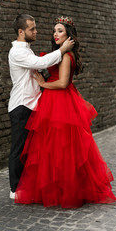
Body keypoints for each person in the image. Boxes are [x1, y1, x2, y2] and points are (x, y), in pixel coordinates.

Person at [14, 16, 116, 208]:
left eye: (60, 30)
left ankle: (63, 189)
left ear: (69, 36)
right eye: (54, 30)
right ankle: (55, 185)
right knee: (52, 146)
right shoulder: (61, 54)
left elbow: (62, 83)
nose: (55, 34)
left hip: (59, 100)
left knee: (62, 146)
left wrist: (44, 83)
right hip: (55, 100)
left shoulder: (66, 56)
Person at [8, 14, 75, 199]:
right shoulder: (18, 52)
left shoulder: (27, 49)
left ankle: (26, 184)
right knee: (19, 149)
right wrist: (62, 49)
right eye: (32, 29)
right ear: (21, 32)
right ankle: (14, 189)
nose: (36, 31)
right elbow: (42, 63)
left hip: (33, 105)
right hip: (21, 106)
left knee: (31, 149)